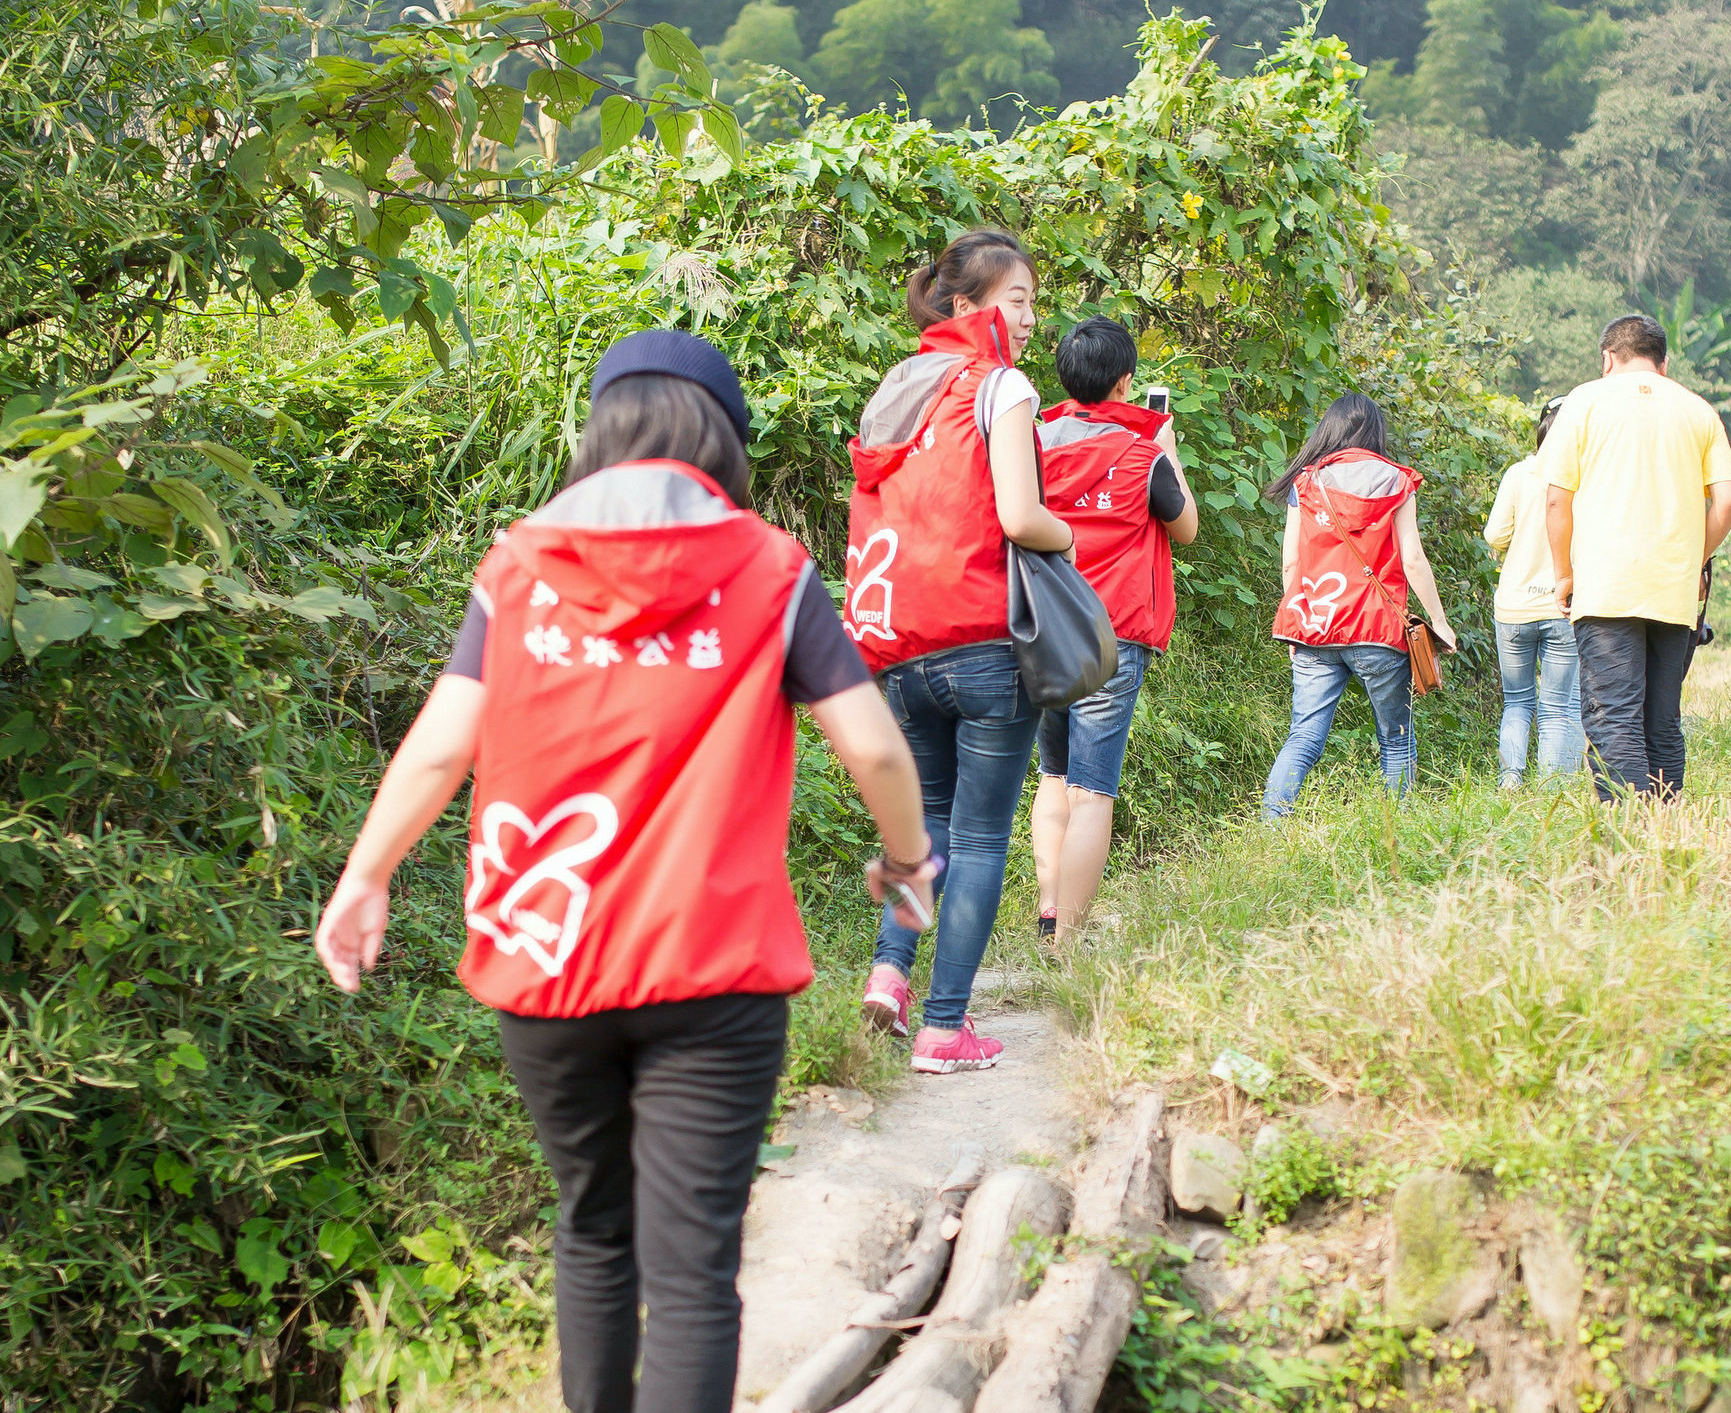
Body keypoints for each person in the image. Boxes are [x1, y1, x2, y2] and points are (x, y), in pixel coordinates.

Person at [311, 331, 934, 1413]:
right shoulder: (769, 568)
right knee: (693, 1264)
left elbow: (441, 744)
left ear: (600, 430)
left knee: (593, 1230)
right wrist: (907, 857)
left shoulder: (518, 568)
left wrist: (366, 877)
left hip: (548, 965)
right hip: (714, 969)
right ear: (723, 443)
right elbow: (874, 745)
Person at [843, 229, 1074, 1073]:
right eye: (1018, 301)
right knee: (978, 838)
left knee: (925, 829)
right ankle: (945, 1027)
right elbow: (1020, 517)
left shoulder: (894, 393)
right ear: (966, 307)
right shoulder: (998, 385)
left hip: (898, 646)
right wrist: (1071, 537)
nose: (1030, 318)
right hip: (982, 641)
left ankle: (888, 976)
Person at [1029, 315, 1199, 944]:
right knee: (1092, 792)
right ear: (1126, 382)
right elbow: (1187, 529)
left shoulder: (1035, 444)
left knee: (1052, 777)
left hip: (1044, 631)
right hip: (1113, 636)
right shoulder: (1142, 454)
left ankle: (1050, 912)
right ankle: (1068, 942)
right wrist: (1169, 451)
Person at [1542, 314, 1731, 802]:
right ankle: (1664, 825)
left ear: (1608, 358)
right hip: (1673, 591)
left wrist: (1564, 574)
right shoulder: (1698, 410)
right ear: (1663, 363)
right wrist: (1694, 559)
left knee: (1614, 716)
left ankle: (1630, 836)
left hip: (1607, 585)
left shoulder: (1585, 400)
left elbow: (1555, 500)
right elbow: (1730, 499)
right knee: (1662, 720)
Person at [1260, 392, 1458, 819]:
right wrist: (1439, 622)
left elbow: (1292, 560)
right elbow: (1412, 558)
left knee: (1303, 737)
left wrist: (1295, 619)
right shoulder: (1395, 481)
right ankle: (1393, 833)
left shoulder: (1305, 482)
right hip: (1377, 628)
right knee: (1397, 740)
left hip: (1315, 623)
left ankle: (1271, 828)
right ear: (1375, 432)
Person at [1483, 399, 1583, 787]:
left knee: (1517, 702)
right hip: (1563, 606)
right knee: (1558, 706)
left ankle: (1510, 780)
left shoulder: (1518, 474)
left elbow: (1494, 535)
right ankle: (1552, 787)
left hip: (1513, 608)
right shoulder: (1584, 478)